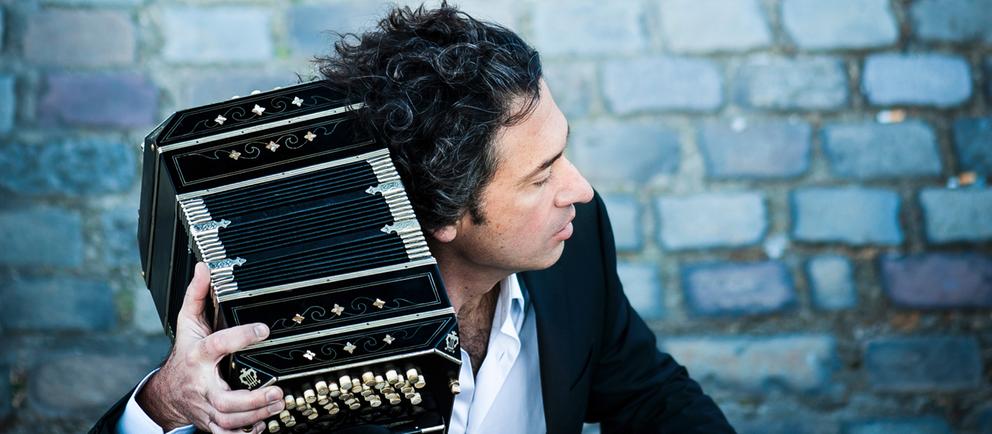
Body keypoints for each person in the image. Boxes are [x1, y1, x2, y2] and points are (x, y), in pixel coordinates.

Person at [91, 3, 736, 434]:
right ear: (444, 212)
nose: (581, 190)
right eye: (541, 177)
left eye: (562, 152)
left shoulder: (574, 241)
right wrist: (164, 401)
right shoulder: (286, 339)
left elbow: (649, 394)